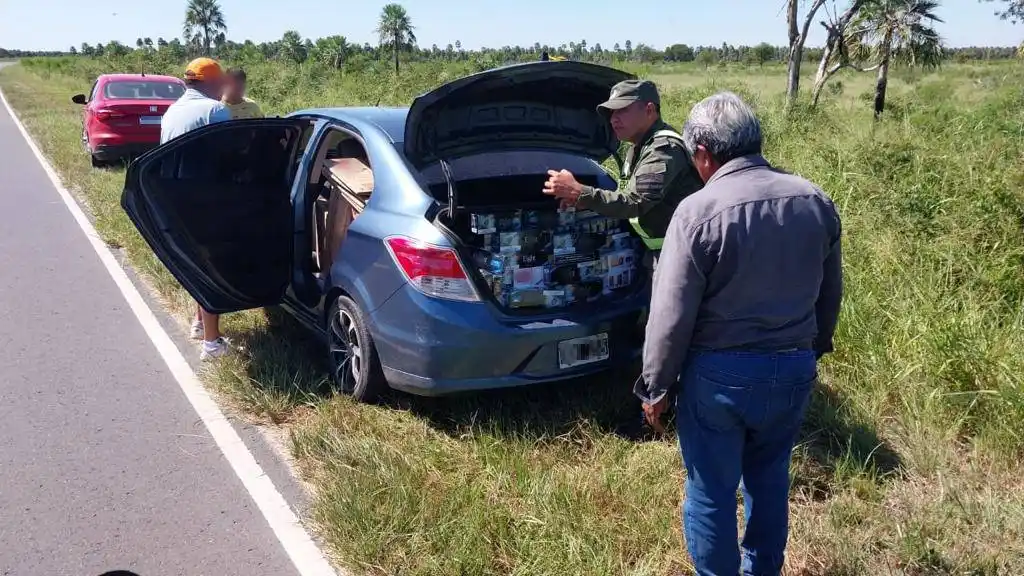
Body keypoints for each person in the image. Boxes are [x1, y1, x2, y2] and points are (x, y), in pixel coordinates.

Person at [637, 91, 843, 575]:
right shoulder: (814, 200)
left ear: (703, 154)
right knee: (770, 481)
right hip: (792, 366)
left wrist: (655, 387)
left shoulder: (696, 212)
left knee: (711, 491)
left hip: (719, 377)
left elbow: (669, 315)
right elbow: (829, 293)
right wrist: (812, 351)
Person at [542, 79, 704, 277]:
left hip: (683, 255)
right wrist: (585, 202)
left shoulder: (663, 150)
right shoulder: (638, 147)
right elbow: (626, 195)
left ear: (649, 110)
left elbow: (634, 202)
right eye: (611, 113)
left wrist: (580, 192)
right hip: (662, 250)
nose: (613, 119)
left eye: (622, 110)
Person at [160, 57, 233, 360]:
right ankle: (212, 344)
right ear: (211, 82)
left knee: (196, 260)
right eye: (221, 81)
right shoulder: (215, 110)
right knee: (211, 266)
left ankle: (199, 323)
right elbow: (231, 154)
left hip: (175, 198)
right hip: (206, 199)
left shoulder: (172, 111)